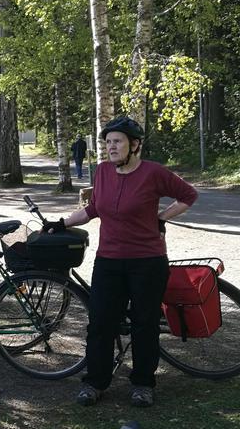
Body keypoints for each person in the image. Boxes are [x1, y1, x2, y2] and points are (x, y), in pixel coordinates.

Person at [47, 116, 198, 408]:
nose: (111, 147)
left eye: (117, 141)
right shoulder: (103, 172)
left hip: (147, 261)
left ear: (135, 145)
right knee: (100, 323)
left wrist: (161, 218)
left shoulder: (153, 173)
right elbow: (92, 209)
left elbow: (188, 195)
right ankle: (95, 382)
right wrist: (61, 222)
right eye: (108, 142)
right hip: (109, 260)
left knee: (145, 324)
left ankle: (143, 384)